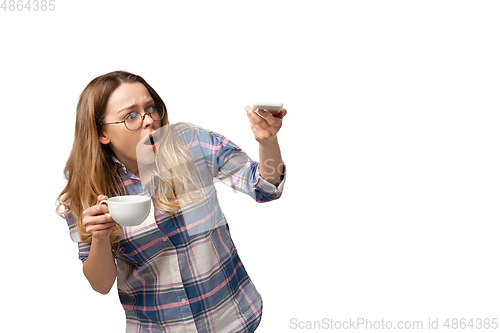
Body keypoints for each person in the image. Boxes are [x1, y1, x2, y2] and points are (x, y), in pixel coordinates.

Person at [56, 71, 286, 332]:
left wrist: (267, 141)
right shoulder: (86, 194)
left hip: (232, 320)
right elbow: (101, 284)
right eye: (130, 116)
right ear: (102, 134)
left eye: (150, 108)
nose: (149, 121)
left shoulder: (193, 144)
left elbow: (265, 189)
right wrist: (99, 237)